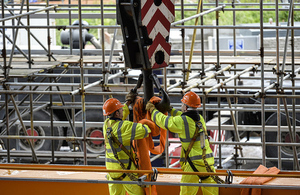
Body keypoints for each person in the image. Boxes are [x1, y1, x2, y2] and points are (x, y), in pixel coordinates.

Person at [145, 91, 220, 195]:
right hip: (207, 163)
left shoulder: (182, 122)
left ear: (185, 107)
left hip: (193, 164)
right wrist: (170, 109)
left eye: (182, 104)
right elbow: (182, 116)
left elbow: (164, 122)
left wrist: (153, 111)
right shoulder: (200, 119)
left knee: (187, 192)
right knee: (211, 192)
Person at [103, 93, 151, 195]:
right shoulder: (123, 127)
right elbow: (145, 131)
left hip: (112, 172)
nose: (123, 111)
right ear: (116, 113)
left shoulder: (106, 124)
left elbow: (122, 113)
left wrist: (127, 103)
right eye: (120, 110)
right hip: (126, 171)